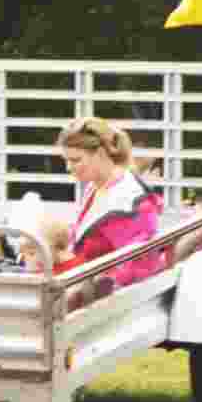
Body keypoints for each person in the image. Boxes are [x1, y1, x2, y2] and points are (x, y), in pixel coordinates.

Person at [57, 117, 164, 288]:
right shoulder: (95, 186)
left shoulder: (130, 200)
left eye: (75, 160)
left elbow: (140, 268)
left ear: (100, 154)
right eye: (66, 160)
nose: (68, 167)